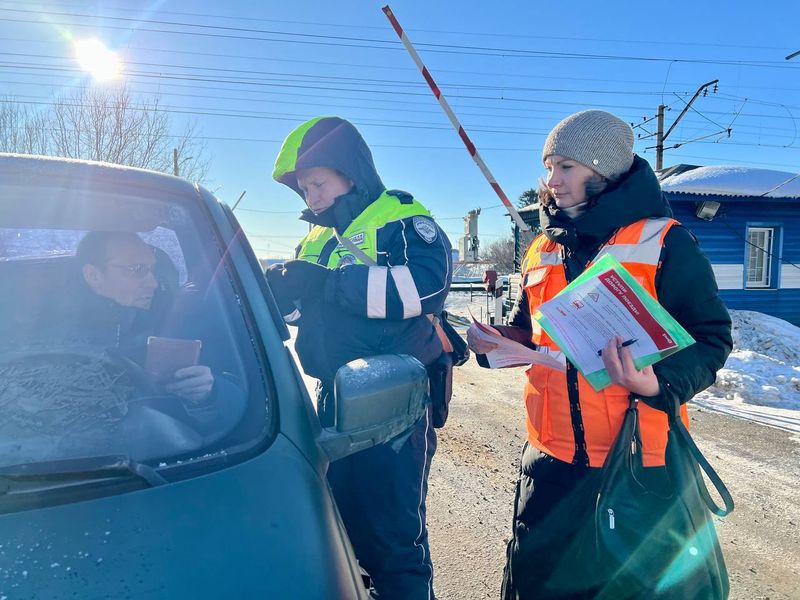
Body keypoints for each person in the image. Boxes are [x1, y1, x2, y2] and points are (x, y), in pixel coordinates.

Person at [466, 110, 733, 599]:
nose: (551, 181)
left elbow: (712, 337)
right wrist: (501, 341)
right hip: (548, 459)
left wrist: (656, 383)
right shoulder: (540, 248)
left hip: (638, 464)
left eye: (565, 167)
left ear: (603, 169)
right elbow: (533, 331)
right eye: (548, 167)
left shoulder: (663, 241)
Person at [268, 116, 452, 600]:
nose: (312, 197)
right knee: (341, 528)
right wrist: (282, 294)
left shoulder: (402, 218)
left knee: (392, 536)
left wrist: (325, 284)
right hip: (335, 395)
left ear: (350, 171)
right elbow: (307, 312)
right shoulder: (317, 238)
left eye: (318, 183)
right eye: (304, 189)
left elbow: (425, 289)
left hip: (396, 398)